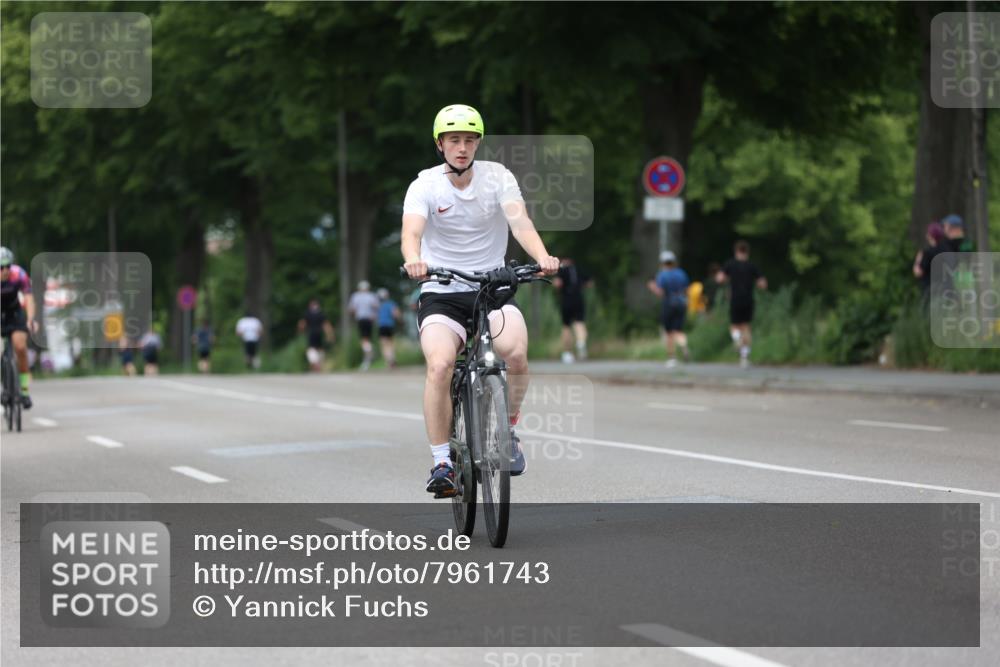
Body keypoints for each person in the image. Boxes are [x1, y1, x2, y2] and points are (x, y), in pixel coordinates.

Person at [401, 103, 559, 497]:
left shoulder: (497, 177)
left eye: (470, 140)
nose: (462, 147)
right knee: (439, 366)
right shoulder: (424, 185)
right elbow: (411, 234)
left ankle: (507, 429)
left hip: (492, 289)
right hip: (442, 292)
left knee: (516, 355)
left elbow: (519, 221)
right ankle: (441, 462)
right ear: (440, 145)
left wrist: (541, 257)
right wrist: (414, 261)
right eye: (454, 140)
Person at [716, 240, 767, 368]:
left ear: (736, 251)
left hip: (735, 299)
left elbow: (720, 279)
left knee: (734, 326)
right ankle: (744, 358)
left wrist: (726, 279)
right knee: (746, 327)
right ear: (747, 252)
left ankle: (737, 339)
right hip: (748, 299)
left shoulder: (730, 264)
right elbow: (762, 284)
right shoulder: (752, 266)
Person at [0, 247, 36, 408]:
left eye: (8, 266)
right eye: (1, 267)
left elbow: (29, 297)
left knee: (20, 347)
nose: (5, 270)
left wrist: (30, 319)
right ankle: (3, 387)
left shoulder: (19, 274)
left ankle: (24, 390)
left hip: (14, 312)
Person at [646, 250, 690, 368]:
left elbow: (660, 293)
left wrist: (652, 287)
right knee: (678, 330)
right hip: (681, 303)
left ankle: (671, 357)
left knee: (669, 332)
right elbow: (687, 290)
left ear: (662, 262)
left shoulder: (662, 274)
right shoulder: (681, 273)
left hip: (668, 303)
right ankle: (683, 346)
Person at [552, 256, 592, 363]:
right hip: (579, 299)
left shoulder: (562, 270)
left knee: (566, 326)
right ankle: (581, 343)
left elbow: (557, 283)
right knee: (580, 323)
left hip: (566, 299)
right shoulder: (578, 269)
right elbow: (589, 283)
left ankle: (567, 353)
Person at [348, 281, 380, 371]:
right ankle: (368, 355)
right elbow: (376, 306)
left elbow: (351, 309)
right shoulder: (372, 296)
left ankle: (368, 355)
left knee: (364, 339)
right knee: (367, 338)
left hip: (361, 319)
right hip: (370, 319)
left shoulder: (356, 296)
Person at [298, 300, 334, 372]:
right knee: (320, 349)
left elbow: (302, 324)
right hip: (319, 333)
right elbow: (326, 325)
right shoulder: (321, 314)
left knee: (311, 349)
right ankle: (319, 363)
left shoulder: (307, 314)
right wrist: (330, 335)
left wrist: (300, 331)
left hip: (311, 333)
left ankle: (315, 362)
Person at [912, 222, 945, 300]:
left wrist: (917, 261)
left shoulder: (927, 252)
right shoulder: (946, 249)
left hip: (929, 289)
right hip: (944, 288)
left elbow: (918, 273)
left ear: (930, 235)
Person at [376, 288, 401, 369]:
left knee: (384, 344)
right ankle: (392, 359)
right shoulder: (391, 303)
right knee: (390, 343)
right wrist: (400, 320)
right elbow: (396, 314)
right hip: (390, 325)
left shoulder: (378, 305)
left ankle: (389, 361)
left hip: (381, 326)